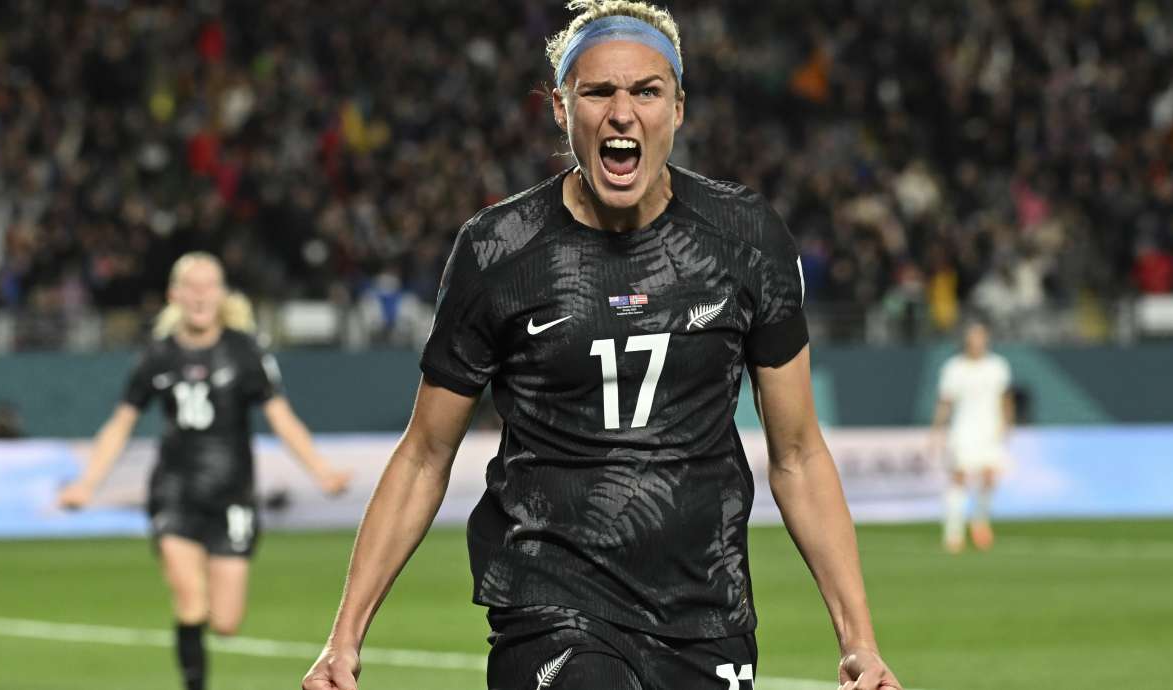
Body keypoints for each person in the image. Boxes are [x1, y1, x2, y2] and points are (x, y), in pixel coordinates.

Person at [303, 2, 900, 689]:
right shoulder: (498, 251)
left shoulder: (746, 239)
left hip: (706, 611)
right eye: (598, 92)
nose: (622, 113)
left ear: (678, 108)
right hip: (550, 604)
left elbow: (797, 454)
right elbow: (424, 455)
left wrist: (858, 640)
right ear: (561, 107)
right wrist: (343, 640)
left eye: (646, 91)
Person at [58, 252, 352, 690]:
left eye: (208, 286)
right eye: (190, 287)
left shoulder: (244, 351)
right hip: (174, 492)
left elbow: (282, 419)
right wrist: (87, 484)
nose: (199, 296)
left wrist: (321, 471)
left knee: (226, 622)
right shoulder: (157, 355)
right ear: (174, 295)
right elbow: (120, 424)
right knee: (191, 603)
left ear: (222, 294)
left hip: (232, 495)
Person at [930, 321, 1014, 553]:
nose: (977, 342)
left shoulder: (997, 366)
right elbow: (945, 402)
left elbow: (1005, 398)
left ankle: (980, 521)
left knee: (989, 477)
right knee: (959, 477)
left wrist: (1007, 423)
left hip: (990, 430)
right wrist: (936, 431)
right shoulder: (954, 368)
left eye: (981, 337)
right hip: (963, 430)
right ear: (966, 340)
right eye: (973, 337)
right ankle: (953, 532)